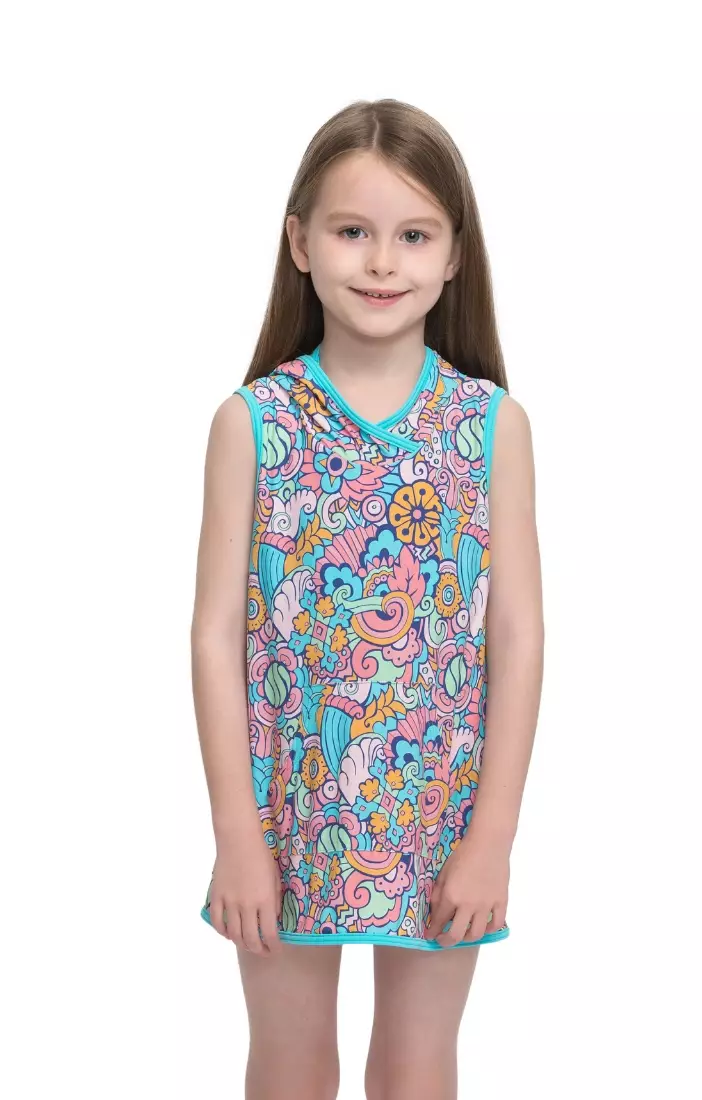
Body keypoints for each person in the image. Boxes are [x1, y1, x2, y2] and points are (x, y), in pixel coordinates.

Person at [191, 97, 544, 1100]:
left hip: (441, 810)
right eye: (353, 231)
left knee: (418, 1068)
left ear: (455, 254)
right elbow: (214, 637)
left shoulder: (490, 425)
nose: (383, 262)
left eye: (414, 235)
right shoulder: (253, 423)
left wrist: (493, 836)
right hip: (287, 808)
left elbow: (517, 634)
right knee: (291, 1065)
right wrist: (237, 835)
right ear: (301, 243)